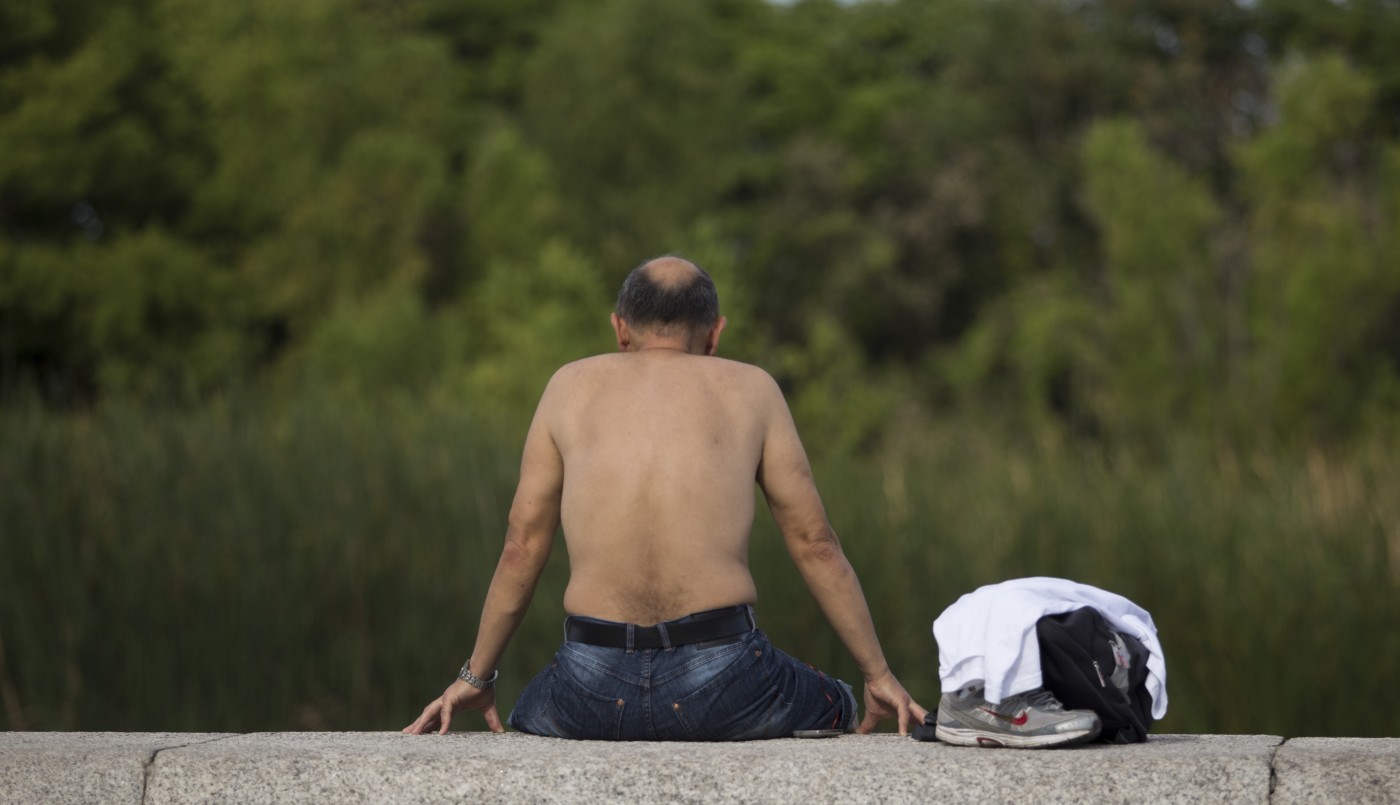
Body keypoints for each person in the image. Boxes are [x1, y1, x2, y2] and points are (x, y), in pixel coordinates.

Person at [404, 255, 927, 740]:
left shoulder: (568, 386)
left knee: (529, 709)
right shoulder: (753, 389)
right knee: (834, 699)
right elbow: (815, 544)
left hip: (589, 684)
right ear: (715, 333)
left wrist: (476, 675)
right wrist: (877, 674)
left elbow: (521, 547)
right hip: (724, 680)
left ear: (620, 329)